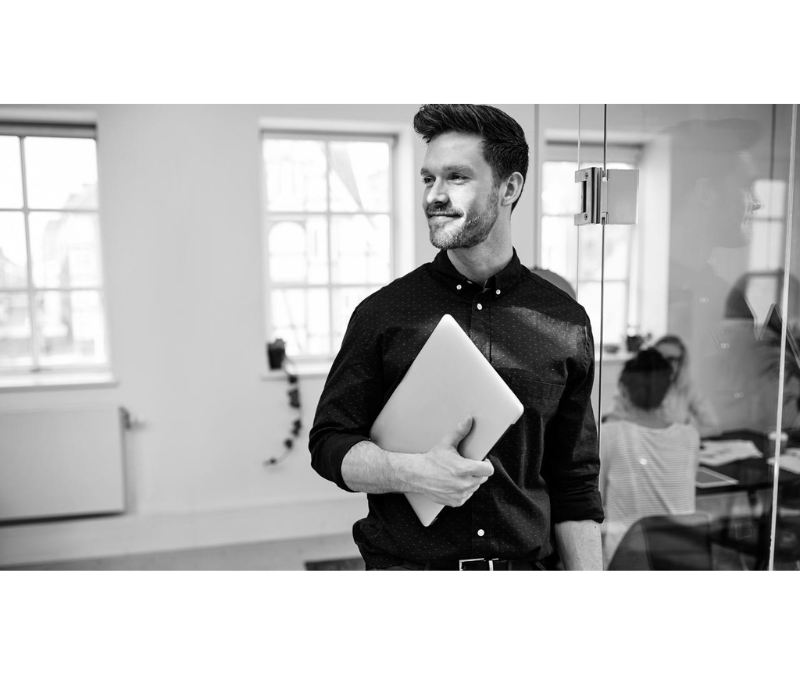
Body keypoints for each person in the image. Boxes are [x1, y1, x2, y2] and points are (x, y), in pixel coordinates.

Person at [309, 104, 604, 571]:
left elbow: (575, 484)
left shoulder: (564, 321)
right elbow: (328, 445)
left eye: (456, 177)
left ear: (510, 187)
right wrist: (413, 473)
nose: (434, 196)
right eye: (428, 179)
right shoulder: (383, 314)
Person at [599, 349, 701, 567]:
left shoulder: (609, 434)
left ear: (623, 391)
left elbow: (595, 505)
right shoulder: (689, 436)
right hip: (680, 557)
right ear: (666, 393)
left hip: (628, 560)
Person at [605, 334, 722, 438]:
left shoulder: (687, 387)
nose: (664, 364)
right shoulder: (633, 387)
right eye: (660, 358)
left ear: (681, 362)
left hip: (674, 448)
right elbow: (611, 424)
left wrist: (682, 435)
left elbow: (713, 426)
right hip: (638, 448)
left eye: (671, 359)